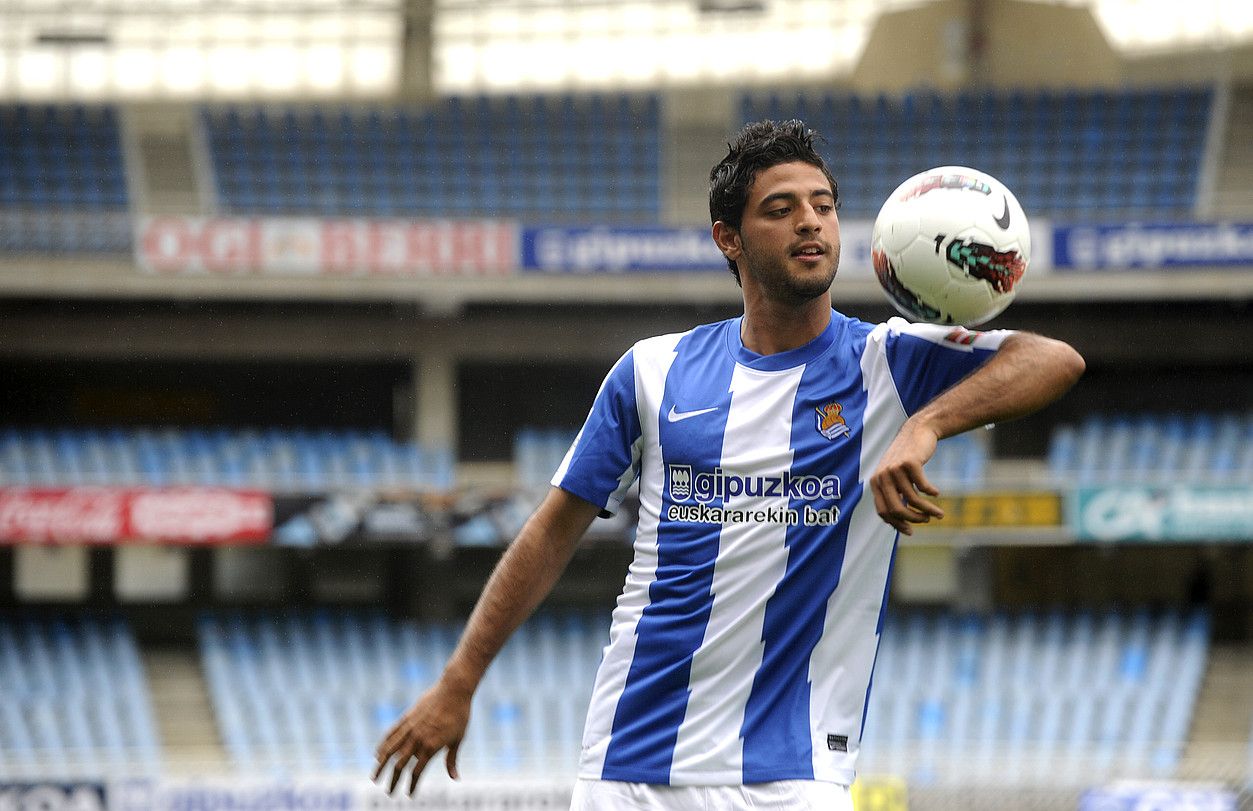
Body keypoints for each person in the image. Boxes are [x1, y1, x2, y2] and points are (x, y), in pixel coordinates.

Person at [374, 119, 1085, 809]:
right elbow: (550, 532)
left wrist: (925, 423)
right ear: (729, 238)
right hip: (630, 760)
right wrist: (459, 680)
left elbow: (1053, 359)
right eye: (780, 209)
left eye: (823, 206)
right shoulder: (653, 371)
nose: (810, 222)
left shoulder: (886, 363)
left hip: (794, 771)